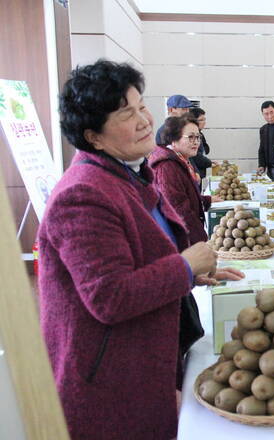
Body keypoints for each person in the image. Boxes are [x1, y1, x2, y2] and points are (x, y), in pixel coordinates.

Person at [38, 60, 242, 440]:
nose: (144, 119)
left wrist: (190, 273)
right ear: (93, 137)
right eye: (125, 113)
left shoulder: (129, 174)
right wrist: (182, 267)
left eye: (141, 104)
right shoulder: (83, 194)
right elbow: (109, 296)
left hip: (141, 360)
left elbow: (138, 259)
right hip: (107, 376)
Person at [149, 114, 222, 245]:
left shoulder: (180, 160)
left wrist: (207, 200)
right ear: (173, 139)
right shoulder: (167, 167)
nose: (196, 142)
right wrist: (201, 240)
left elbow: (184, 197)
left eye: (198, 137)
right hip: (180, 242)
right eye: (191, 137)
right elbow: (179, 211)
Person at [188, 107, 216, 178]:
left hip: (200, 173)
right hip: (195, 173)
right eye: (201, 120)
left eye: (204, 119)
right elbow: (195, 156)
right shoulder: (190, 135)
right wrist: (209, 163)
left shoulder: (200, 134)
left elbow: (206, 150)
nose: (204, 122)